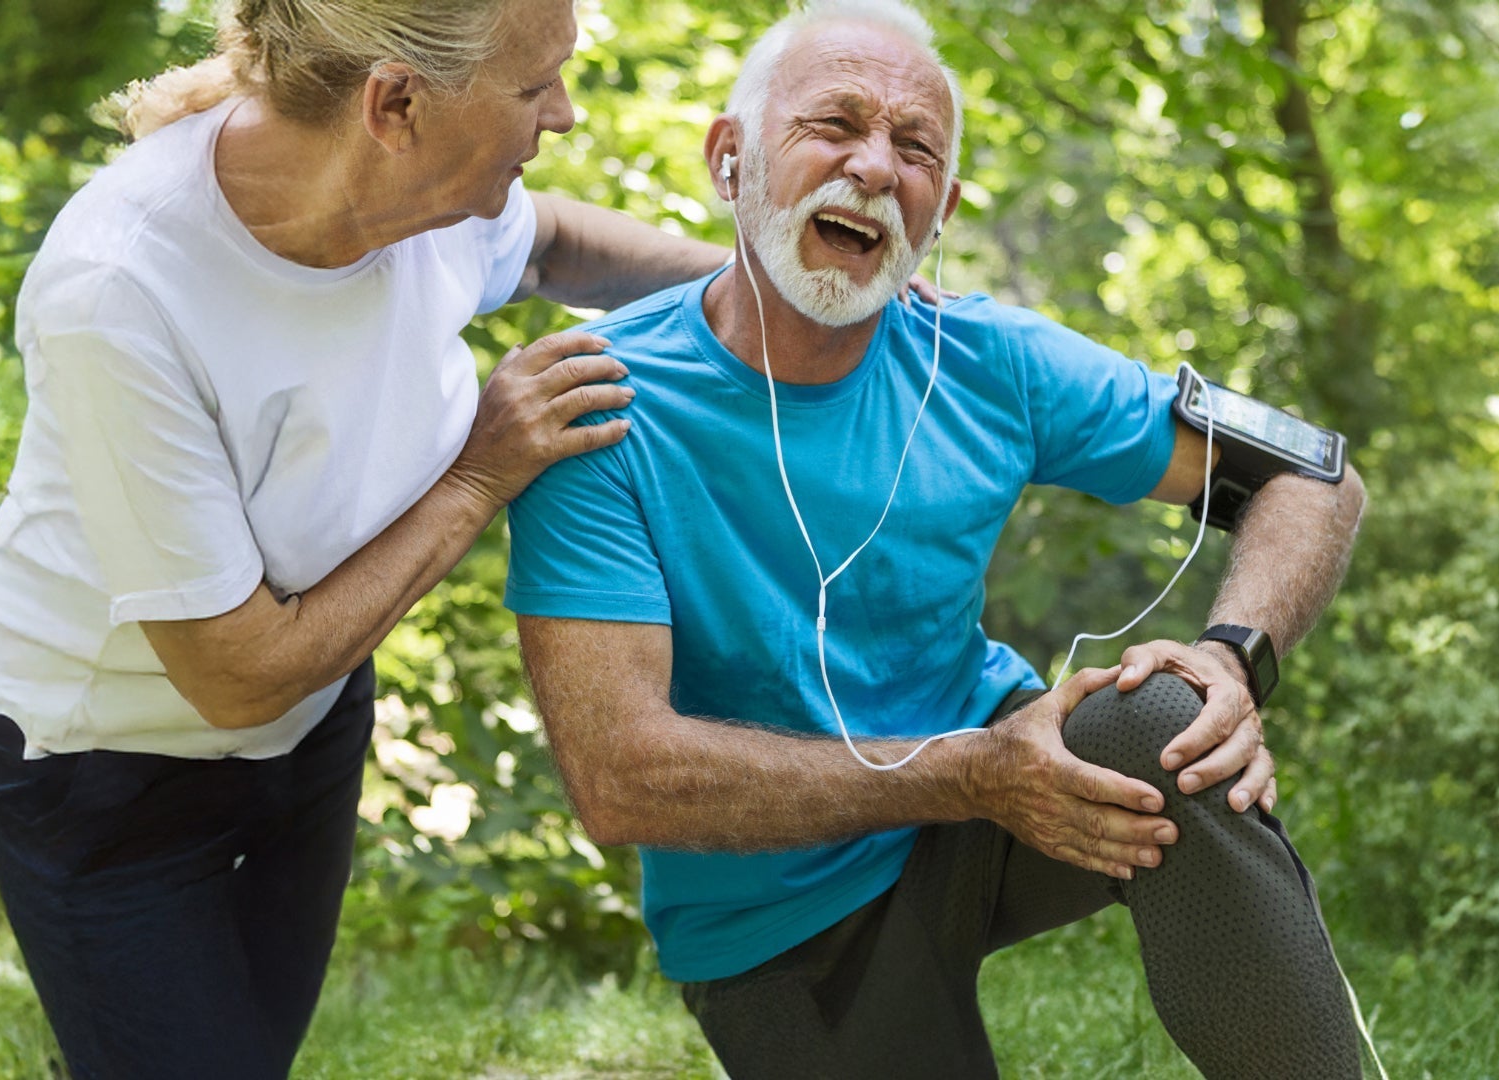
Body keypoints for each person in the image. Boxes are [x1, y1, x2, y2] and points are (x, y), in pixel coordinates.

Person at [505, 2, 1373, 1077]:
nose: (875, 167)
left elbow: (1312, 476)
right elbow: (619, 780)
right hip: (777, 906)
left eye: (915, 149)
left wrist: (1231, 660)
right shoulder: (596, 405)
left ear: (940, 213)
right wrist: (967, 775)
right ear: (730, 159)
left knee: (1168, 721)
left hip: (999, 786)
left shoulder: (983, 357)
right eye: (833, 124)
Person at [0, 0, 741, 1076]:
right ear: (396, 103)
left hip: (313, 721)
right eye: (532, 86)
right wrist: (481, 473)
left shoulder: (432, 193)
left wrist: (763, 286)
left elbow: (553, 243)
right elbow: (235, 677)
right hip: (106, 768)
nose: (562, 114)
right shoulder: (119, 288)